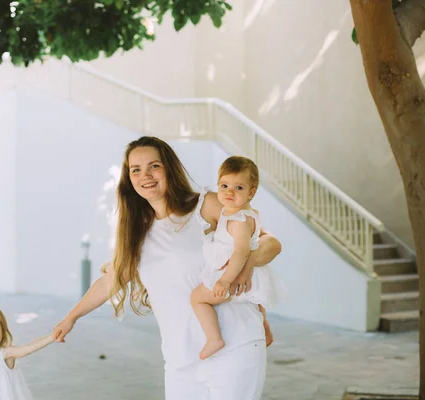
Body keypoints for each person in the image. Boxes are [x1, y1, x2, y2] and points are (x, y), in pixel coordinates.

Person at [53, 136, 282, 400]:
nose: (145, 176)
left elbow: (270, 242)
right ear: (129, 179)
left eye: (154, 166)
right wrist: (71, 317)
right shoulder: (136, 233)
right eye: (135, 170)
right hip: (180, 358)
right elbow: (109, 282)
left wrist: (247, 263)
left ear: (169, 169)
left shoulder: (204, 206)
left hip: (235, 345)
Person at [191, 156, 283, 360]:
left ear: (251, 192)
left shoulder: (240, 220)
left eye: (238, 188)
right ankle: (265, 328)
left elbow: (241, 252)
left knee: (197, 298)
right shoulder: (234, 212)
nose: (229, 192)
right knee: (256, 302)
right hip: (238, 272)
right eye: (224, 186)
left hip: (231, 274)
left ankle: (214, 338)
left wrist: (225, 280)